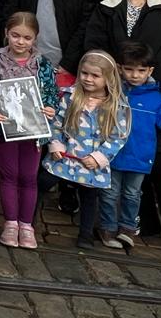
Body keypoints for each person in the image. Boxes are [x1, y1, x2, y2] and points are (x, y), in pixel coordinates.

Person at [84, 0, 161, 240]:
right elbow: (95, 46)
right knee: (125, 156)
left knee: (159, 163)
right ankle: (142, 223)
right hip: (119, 95)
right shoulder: (108, 6)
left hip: (160, 95)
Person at [0, 12, 59, 249]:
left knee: (29, 177)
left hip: (34, 131)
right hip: (6, 129)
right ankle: (11, 223)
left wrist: (50, 107)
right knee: (9, 175)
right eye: (15, 36)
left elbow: (51, 92)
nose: (20, 42)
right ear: (6, 33)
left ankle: (27, 225)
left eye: (27, 38)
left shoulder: (42, 64)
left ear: (35, 38)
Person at [41, 50, 130, 248]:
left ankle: (86, 234)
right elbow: (56, 124)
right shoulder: (70, 97)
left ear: (108, 78)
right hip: (65, 157)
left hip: (91, 163)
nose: (88, 79)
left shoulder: (116, 106)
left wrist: (99, 157)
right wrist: (56, 145)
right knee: (43, 182)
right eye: (84, 73)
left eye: (95, 75)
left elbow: (118, 136)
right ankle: (28, 222)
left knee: (89, 197)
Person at [98, 42, 161, 249]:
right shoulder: (113, 91)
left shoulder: (156, 97)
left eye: (141, 70)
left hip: (140, 156)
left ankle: (127, 229)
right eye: (129, 69)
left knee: (132, 194)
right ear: (120, 68)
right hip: (112, 154)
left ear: (150, 71)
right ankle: (107, 227)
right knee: (109, 193)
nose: (134, 75)